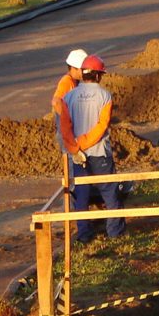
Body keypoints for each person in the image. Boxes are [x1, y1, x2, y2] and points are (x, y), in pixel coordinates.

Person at [58, 55, 126, 244]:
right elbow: (102, 126)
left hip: (78, 156)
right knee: (110, 193)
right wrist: (85, 143)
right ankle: (115, 233)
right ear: (98, 76)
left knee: (82, 195)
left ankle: (84, 235)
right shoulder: (105, 96)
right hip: (100, 154)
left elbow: (65, 128)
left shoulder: (68, 97)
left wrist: (75, 148)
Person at [51, 48, 87, 115]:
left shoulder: (75, 81)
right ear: (74, 68)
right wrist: (68, 120)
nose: (86, 73)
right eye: (83, 70)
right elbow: (55, 102)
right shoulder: (67, 82)